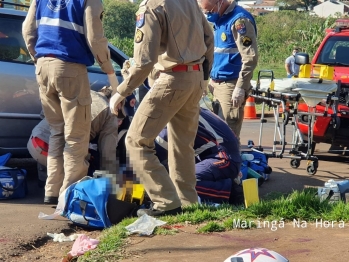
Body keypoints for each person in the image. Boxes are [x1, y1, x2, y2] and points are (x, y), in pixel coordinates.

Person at [109, 0, 214, 217]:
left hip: (172, 79)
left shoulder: (151, 6)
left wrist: (121, 91)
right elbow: (209, 38)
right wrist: (203, 78)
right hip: (194, 77)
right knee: (182, 145)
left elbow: (144, 60)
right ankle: (188, 203)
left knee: (136, 141)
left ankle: (166, 201)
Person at [22, 1, 120, 204]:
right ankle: (69, 197)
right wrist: (109, 70)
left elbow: (28, 29)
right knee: (76, 137)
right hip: (70, 67)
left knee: (57, 131)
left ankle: (52, 191)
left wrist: (37, 58)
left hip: (43, 67)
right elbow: (95, 38)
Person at [28, 89, 136, 187]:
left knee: (52, 138)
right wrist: (112, 180)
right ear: (114, 101)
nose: (119, 117)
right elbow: (107, 153)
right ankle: (70, 198)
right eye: (119, 110)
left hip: (34, 141)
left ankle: (44, 183)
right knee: (85, 163)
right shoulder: (109, 112)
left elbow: (45, 113)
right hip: (53, 150)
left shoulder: (79, 92)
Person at [155, 108, 243, 205]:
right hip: (222, 155)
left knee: (181, 182)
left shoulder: (174, 119)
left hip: (223, 157)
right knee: (176, 176)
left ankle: (231, 191)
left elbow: (154, 156)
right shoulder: (190, 107)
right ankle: (227, 183)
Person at [198, 0, 258, 139]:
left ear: (219, 2)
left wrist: (240, 87)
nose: (208, 15)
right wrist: (206, 80)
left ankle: (232, 161)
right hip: (216, 83)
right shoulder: (220, 20)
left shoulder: (239, 21)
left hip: (231, 85)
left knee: (227, 135)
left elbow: (250, 57)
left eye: (210, 11)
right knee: (215, 132)